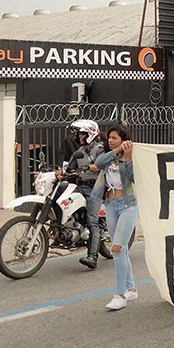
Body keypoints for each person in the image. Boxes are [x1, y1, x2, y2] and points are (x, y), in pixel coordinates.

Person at [92, 127, 138, 310]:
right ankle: (131, 289)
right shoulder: (109, 156)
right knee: (122, 249)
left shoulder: (132, 156)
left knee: (117, 249)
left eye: (114, 138)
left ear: (123, 139)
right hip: (110, 205)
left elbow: (133, 178)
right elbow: (99, 162)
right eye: (109, 138)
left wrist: (127, 158)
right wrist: (117, 151)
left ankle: (119, 295)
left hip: (127, 205)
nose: (110, 140)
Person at [64, 119, 105, 270]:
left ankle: (92, 257)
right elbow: (69, 167)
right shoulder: (79, 151)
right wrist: (59, 173)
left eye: (81, 133)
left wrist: (92, 167)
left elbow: (100, 165)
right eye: (78, 133)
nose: (78, 136)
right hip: (80, 186)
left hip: (96, 188)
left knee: (92, 219)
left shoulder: (100, 149)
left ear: (90, 134)